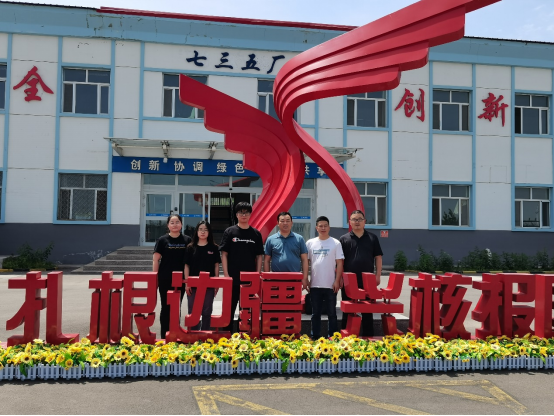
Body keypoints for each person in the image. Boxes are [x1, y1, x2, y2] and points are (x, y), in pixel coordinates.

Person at [219, 202, 264, 334]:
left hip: (249, 280)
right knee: (229, 309)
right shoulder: (230, 232)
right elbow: (224, 254)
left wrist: (256, 275)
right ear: (236, 214)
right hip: (232, 277)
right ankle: (227, 336)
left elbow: (259, 256)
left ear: (250, 214)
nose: (243, 215)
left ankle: (243, 336)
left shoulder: (256, 234)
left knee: (245, 311)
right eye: (240, 212)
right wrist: (226, 275)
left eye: (246, 212)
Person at [340, 210, 384, 338]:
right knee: (348, 308)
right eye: (354, 219)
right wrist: (340, 278)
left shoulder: (372, 238)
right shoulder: (344, 239)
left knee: (367, 309)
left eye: (359, 219)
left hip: (368, 280)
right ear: (350, 222)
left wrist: (378, 275)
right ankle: (346, 336)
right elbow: (339, 261)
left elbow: (378, 257)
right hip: (348, 281)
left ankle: (368, 336)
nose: (357, 222)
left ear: (364, 222)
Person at [305, 216, 344, 340]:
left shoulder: (335, 243)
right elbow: (306, 263)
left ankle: (332, 337)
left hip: (330, 285)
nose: (323, 228)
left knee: (332, 313)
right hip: (315, 284)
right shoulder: (310, 243)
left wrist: (337, 280)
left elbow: (340, 263)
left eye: (325, 226)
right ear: (316, 228)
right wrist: (306, 279)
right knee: (315, 313)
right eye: (320, 226)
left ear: (329, 227)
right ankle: (315, 337)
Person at [153, 214, 192, 339]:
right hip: (165, 278)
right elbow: (156, 260)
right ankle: (164, 336)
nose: (175, 225)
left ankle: (174, 334)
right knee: (165, 307)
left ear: (181, 224)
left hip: (180, 279)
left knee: (176, 307)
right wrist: (155, 277)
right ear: (168, 225)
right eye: (172, 222)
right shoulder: (162, 240)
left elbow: (189, 261)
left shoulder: (187, 240)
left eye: (177, 222)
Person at [184, 221, 221, 331]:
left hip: (209, 285)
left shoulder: (214, 248)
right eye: (200, 229)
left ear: (209, 232)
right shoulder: (190, 247)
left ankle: (205, 334)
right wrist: (187, 283)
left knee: (207, 311)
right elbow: (186, 266)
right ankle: (193, 334)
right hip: (193, 285)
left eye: (205, 230)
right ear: (197, 231)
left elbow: (216, 266)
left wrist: (216, 282)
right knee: (192, 311)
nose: (203, 232)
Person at [264, 212, 308, 281]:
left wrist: (305, 278)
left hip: (295, 279)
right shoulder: (271, 239)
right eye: (282, 221)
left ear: (291, 223)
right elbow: (266, 260)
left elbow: (304, 259)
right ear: (277, 223)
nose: (285, 223)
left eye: (287, 221)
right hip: (276, 279)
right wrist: (267, 278)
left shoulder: (299, 239)